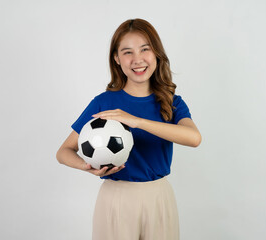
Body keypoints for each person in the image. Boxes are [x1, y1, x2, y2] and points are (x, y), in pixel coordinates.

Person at [56, 18, 202, 240]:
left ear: (156, 54)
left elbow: (194, 138)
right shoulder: (103, 102)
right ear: (116, 59)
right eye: (127, 52)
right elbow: (63, 151)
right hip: (116, 198)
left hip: (159, 197)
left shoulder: (171, 102)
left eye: (145, 49)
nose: (137, 60)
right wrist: (87, 167)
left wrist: (137, 121)